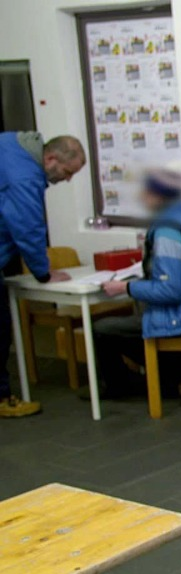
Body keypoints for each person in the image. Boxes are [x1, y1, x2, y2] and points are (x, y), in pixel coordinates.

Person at [92, 166, 181, 406]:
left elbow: (171, 290)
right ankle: (175, 372)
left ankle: (127, 384)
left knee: (102, 329)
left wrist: (124, 289)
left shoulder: (168, 232)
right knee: (135, 318)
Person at [0, 132, 86, 418]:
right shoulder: (26, 176)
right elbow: (28, 228)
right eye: (67, 172)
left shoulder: (10, 144)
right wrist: (43, 273)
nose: (68, 179)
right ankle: (2, 399)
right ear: (50, 158)